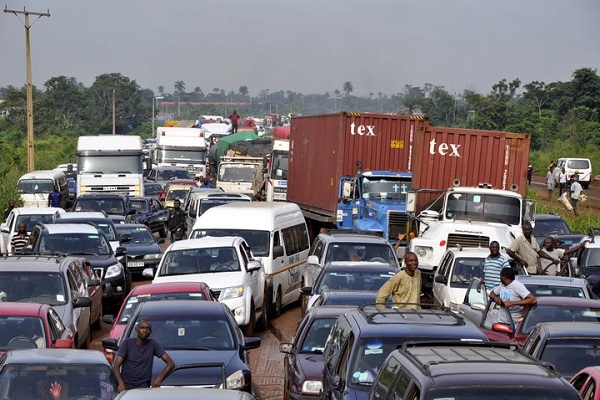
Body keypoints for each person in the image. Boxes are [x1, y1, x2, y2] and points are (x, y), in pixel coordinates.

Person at [113, 320, 175, 392]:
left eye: (147, 329)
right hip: (127, 387)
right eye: (142, 328)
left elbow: (170, 363)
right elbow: (116, 366)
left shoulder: (153, 344)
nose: (144, 330)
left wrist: (159, 379)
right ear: (136, 329)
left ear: (150, 332)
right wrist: (121, 384)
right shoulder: (127, 343)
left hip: (144, 388)